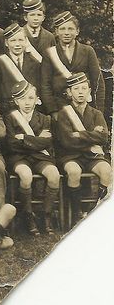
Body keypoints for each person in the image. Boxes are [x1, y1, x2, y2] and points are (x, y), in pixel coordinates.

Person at [55, 72, 112, 226]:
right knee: (74, 171)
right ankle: (77, 213)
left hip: (92, 156)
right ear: (69, 93)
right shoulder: (64, 114)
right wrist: (93, 134)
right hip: (70, 156)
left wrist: (79, 135)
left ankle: (94, 209)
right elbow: (67, 141)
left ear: (89, 90)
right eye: (75, 89)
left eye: (83, 88)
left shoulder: (96, 113)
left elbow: (104, 138)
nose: (80, 92)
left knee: (106, 170)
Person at [4, 80, 59, 235]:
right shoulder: (10, 118)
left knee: (54, 175)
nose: (27, 103)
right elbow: (11, 143)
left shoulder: (44, 118)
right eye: (22, 99)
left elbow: (47, 141)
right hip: (19, 157)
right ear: (15, 101)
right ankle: (29, 216)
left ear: (36, 99)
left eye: (30, 98)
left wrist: (24, 138)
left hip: (41, 157)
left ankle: (46, 215)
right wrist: (36, 140)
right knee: (26, 175)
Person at [40, 11, 106, 115]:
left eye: (70, 29)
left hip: (85, 107)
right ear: (56, 32)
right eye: (62, 29)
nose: (66, 33)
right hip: (60, 108)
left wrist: (98, 111)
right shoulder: (49, 53)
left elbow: (97, 83)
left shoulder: (88, 51)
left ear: (77, 31)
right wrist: (53, 111)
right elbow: (45, 85)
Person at [0, 23, 42, 114]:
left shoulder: (35, 63)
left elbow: (39, 90)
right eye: (13, 40)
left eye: (20, 40)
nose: (17, 44)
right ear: (6, 43)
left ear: (26, 41)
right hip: (8, 112)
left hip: (31, 110)